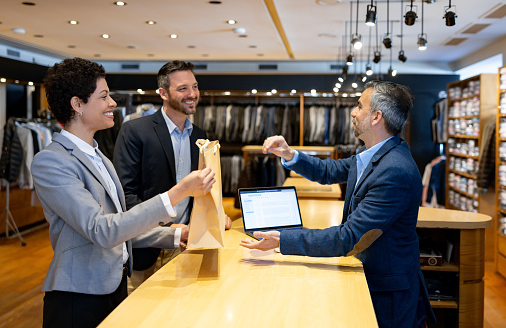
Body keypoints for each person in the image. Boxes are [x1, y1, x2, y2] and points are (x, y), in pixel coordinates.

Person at [32, 57, 216, 328]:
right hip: (77, 297)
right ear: (77, 104)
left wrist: (177, 233)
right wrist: (177, 193)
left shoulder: (99, 157)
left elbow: (121, 227)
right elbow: (101, 230)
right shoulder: (52, 161)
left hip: (114, 286)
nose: (113, 104)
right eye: (104, 96)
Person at [240, 81, 435, 328]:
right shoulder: (377, 154)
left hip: (387, 293)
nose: (353, 112)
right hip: (373, 276)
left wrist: (283, 239)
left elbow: (349, 237)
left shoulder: (394, 170)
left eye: (358, 106)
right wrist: (289, 154)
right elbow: (328, 171)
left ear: (376, 117)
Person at [113, 60, 231, 290]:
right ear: (163, 93)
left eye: (195, 87)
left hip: (188, 244)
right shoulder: (135, 131)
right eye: (183, 88)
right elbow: (125, 194)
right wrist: (163, 231)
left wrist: (216, 214)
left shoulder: (199, 135)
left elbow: (203, 189)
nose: (192, 94)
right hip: (146, 247)